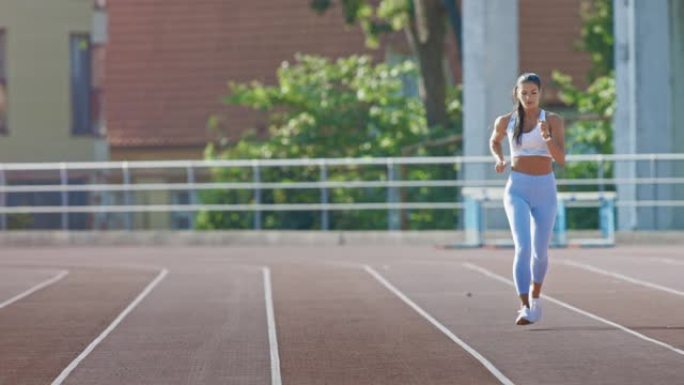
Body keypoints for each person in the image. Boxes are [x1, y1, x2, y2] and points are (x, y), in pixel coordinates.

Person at [488, 73, 565, 325]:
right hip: (517, 188)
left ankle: (536, 298)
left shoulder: (553, 120)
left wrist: (547, 137)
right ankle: (524, 306)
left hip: (545, 188)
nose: (528, 97)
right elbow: (494, 141)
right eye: (524, 93)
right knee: (523, 248)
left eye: (533, 93)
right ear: (516, 94)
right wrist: (499, 159)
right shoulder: (506, 121)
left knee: (540, 252)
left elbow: (561, 159)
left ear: (540, 93)